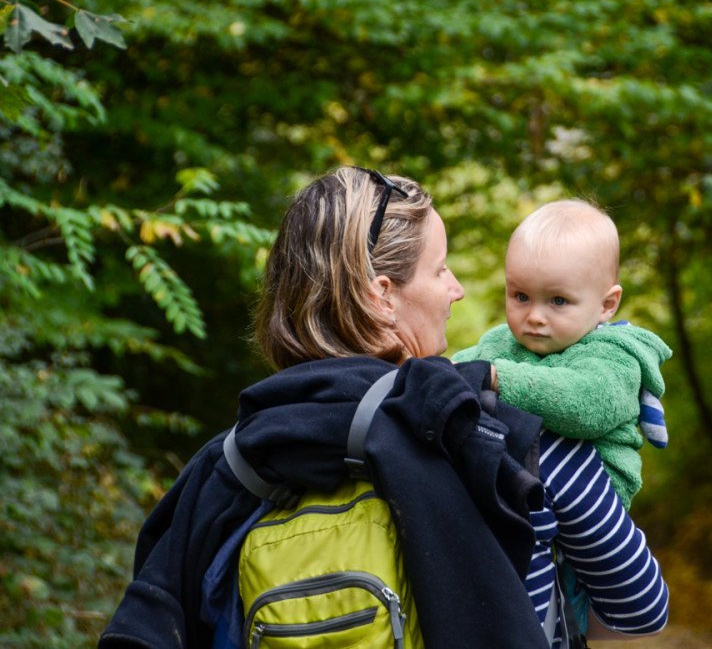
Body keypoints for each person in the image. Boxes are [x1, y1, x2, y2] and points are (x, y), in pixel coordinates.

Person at [99, 168, 667, 649]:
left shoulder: (232, 462)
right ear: (380, 294)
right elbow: (640, 606)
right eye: (441, 269)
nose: (460, 289)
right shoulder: (505, 438)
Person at [453, 199, 672, 510]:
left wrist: (500, 378)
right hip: (525, 489)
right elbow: (461, 367)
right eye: (522, 296)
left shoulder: (615, 355)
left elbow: (585, 404)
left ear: (607, 305)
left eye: (557, 300)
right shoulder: (502, 343)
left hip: (596, 498)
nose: (535, 316)